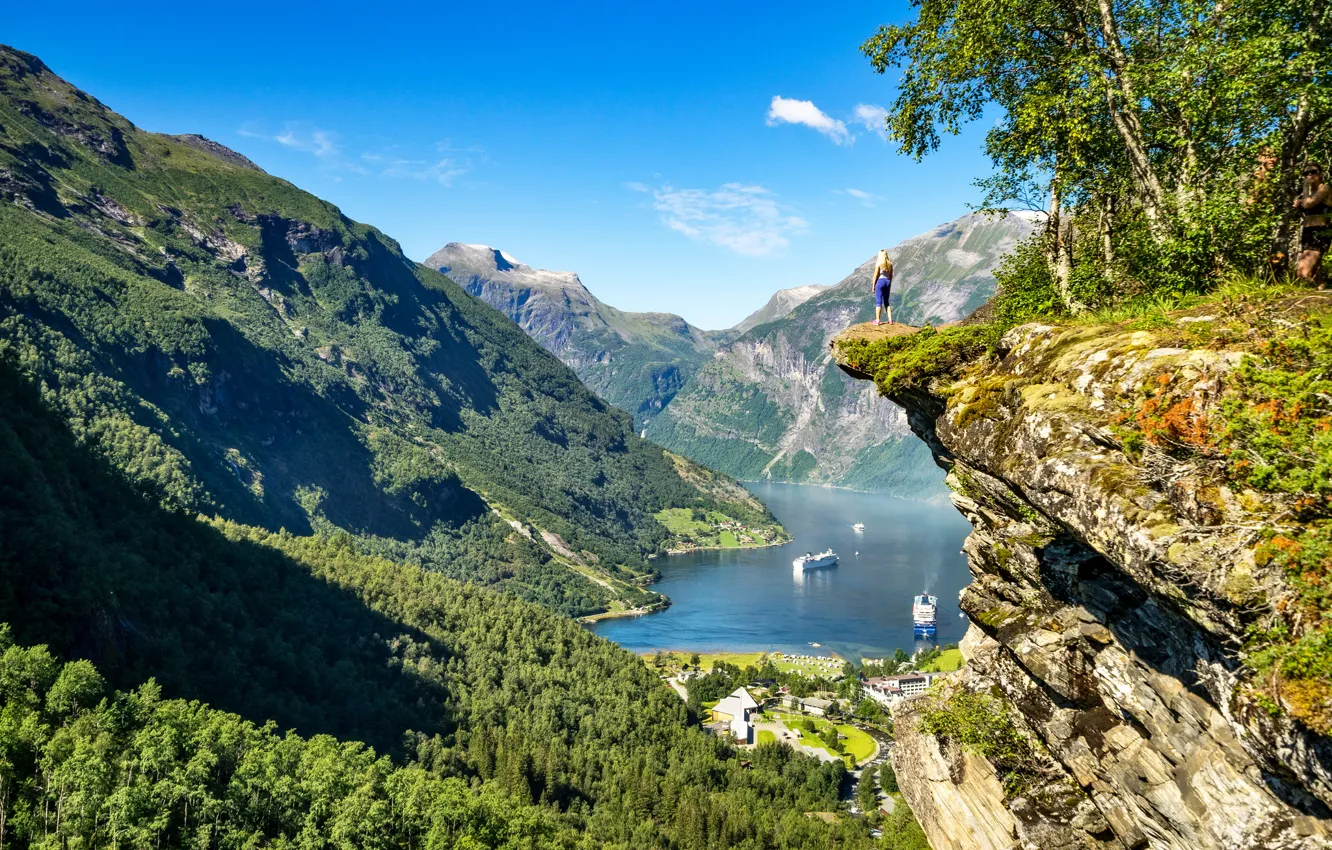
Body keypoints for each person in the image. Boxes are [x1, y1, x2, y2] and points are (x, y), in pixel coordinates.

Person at [1294, 162, 1331, 288]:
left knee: (1302, 274)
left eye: (1313, 172)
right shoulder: (1307, 194)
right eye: (1306, 173)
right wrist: (1298, 206)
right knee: (1315, 273)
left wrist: (1305, 188)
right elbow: (1305, 210)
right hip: (1307, 230)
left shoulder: (1324, 188)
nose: (1309, 175)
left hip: (1320, 230)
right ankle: (1322, 297)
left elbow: (1309, 204)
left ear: (1320, 174)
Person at [871, 249, 894, 325]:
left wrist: (873, 285)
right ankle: (890, 320)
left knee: (879, 302)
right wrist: (889, 283)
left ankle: (877, 320)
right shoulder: (890, 264)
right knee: (887, 302)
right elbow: (891, 276)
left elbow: (876, 275)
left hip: (880, 282)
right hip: (887, 281)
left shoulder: (879, 264)